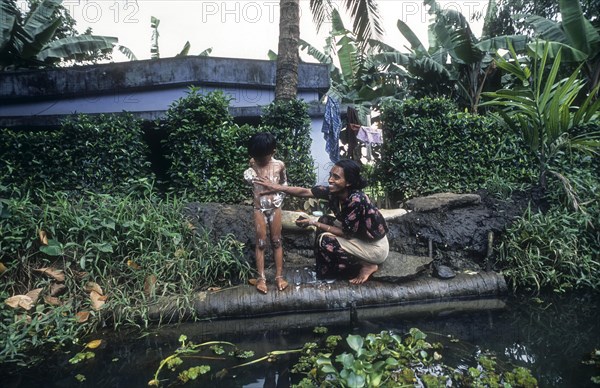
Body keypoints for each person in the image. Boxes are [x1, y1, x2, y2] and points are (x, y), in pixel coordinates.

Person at [255, 159, 389, 284]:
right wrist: (275, 187)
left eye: (336, 177)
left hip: (374, 247)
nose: (330, 180)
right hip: (359, 237)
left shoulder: (356, 200)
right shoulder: (334, 192)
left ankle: (366, 266)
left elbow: (346, 233)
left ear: (348, 182)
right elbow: (304, 192)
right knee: (325, 220)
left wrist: (313, 223)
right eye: (331, 175)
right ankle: (323, 272)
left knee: (326, 240)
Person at [244, 132, 289, 294]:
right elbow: (250, 178)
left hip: (274, 207)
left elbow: (284, 183)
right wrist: (248, 176)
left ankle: (279, 276)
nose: (259, 161)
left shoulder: (279, 165)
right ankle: (261, 278)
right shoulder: (253, 163)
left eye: (262, 158)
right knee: (261, 242)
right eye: (256, 157)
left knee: (276, 240)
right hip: (259, 208)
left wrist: (280, 197)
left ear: (273, 153)